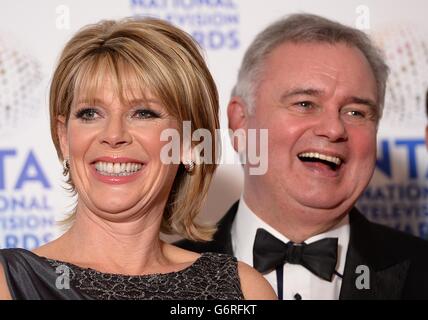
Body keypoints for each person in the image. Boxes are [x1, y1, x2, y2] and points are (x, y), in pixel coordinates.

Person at [0, 17, 276, 300]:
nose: (114, 134)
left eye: (144, 113)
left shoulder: (243, 290)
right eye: (90, 114)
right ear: (64, 138)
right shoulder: (9, 282)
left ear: (189, 143)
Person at [177, 13, 428, 299]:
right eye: (305, 104)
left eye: (356, 112)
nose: (334, 129)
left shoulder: (421, 273)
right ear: (240, 121)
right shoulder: (159, 281)